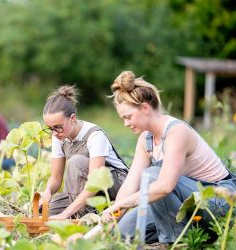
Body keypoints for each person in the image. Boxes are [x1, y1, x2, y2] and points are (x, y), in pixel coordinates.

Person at [102, 71, 236, 244]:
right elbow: (130, 184)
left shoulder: (176, 132)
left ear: (145, 108)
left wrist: (125, 204)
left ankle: (175, 243)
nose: (126, 123)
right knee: (123, 233)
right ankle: (187, 236)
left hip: (219, 202)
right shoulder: (146, 139)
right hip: (186, 204)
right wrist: (113, 217)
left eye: (128, 117)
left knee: (152, 176)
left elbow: (165, 186)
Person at [40, 85, 128, 219]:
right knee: (48, 213)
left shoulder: (94, 136)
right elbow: (56, 178)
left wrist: (66, 213)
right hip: (86, 187)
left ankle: (86, 220)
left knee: (76, 161)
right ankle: (80, 214)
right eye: (49, 128)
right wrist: (47, 191)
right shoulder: (58, 136)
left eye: (58, 127)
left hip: (115, 185)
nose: (54, 133)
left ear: (72, 118)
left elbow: (95, 182)